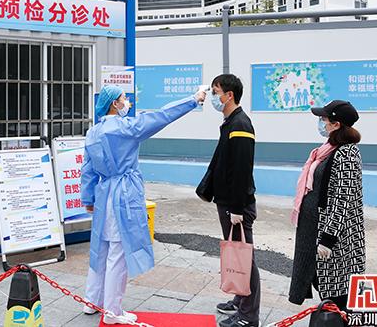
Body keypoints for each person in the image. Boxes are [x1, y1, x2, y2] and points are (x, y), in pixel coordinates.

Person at [81, 85, 206, 325]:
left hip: (103, 193)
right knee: (118, 252)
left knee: (100, 249)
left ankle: (91, 301)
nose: (127, 101)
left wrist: (88, 198)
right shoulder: (125, 128)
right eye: (123, 98)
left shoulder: (93, 132)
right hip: (123, 194)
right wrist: (193, 100)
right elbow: (161, 116)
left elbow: (87, 169)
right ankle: (113, 311)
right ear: (114, 104)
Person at [288, 100, 364, 312]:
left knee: (337, 292)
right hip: (315, 229)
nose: (321, 123)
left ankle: (340, 321)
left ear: (336, 124)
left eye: (324, 119)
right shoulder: (329, 149)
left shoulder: (347, 153)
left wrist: (328, 239)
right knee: (321, 282)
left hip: (334, 238)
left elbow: (343, 198)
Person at [206, 74, 261, 327]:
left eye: (215, 92)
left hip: (235, 205)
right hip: (228, 202)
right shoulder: (231, 122)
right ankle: (240, 300)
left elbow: (241, 169)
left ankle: (249, 316)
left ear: (229, 95)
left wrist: (237, 208)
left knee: (244, 258)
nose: (212, 97)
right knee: (238, 255)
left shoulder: (240, 124)